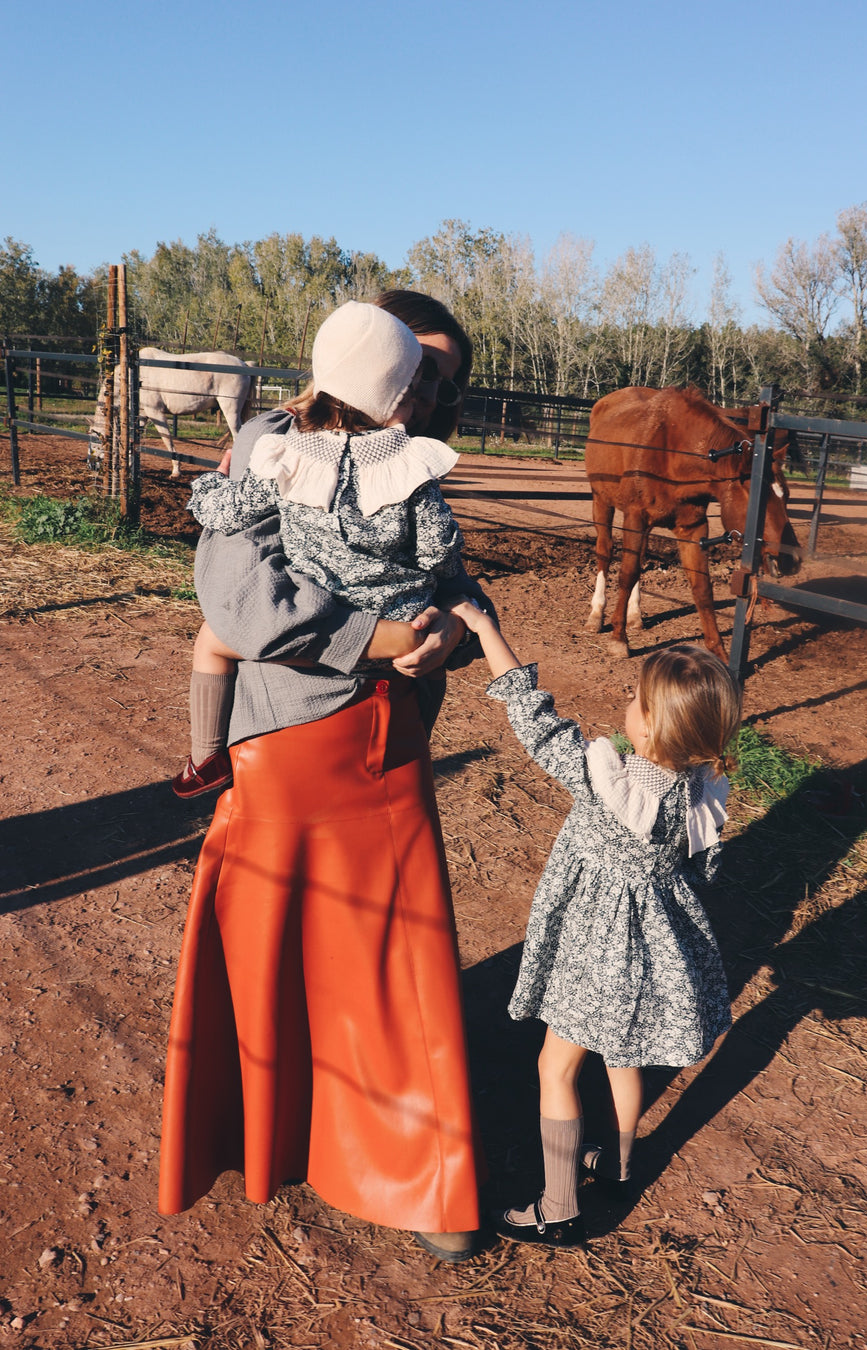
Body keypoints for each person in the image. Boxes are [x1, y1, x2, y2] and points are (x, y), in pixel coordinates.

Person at [158, 292, 491, 1265]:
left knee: (399, 967)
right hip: (290, 740)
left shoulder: (408, 476)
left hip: (389, 742)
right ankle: (271, 1134)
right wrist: (378, 637)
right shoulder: (269, 442)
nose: (421, 394)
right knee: (276, 952)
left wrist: (445, 637)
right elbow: (237, 600)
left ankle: (428, 1173)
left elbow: (454, 587)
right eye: (413, 370)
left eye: (439, 383)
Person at [449, 601, 742, 1249]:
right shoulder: (697, 792)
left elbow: (536, 722)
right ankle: (618, 1163)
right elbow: (703, 871)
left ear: (647, 731)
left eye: (635, 698)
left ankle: (559, 1208)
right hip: (651, 955)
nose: (626, 702)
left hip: (593, 954)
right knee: (622, 1056)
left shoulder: (610, 781)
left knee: (557, 1068)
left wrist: (487, 629)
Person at [171, 300, 463, 798]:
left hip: (391, 706)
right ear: (396, 391)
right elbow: (442, 555)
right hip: (306, 714)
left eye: (442, 383)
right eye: (421, 378)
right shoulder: (410, 467)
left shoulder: (289, 457)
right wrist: (404, 626)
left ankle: (205, 756)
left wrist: (206, 489)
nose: (429, 399)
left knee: (209, 642)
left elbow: (228, 511)